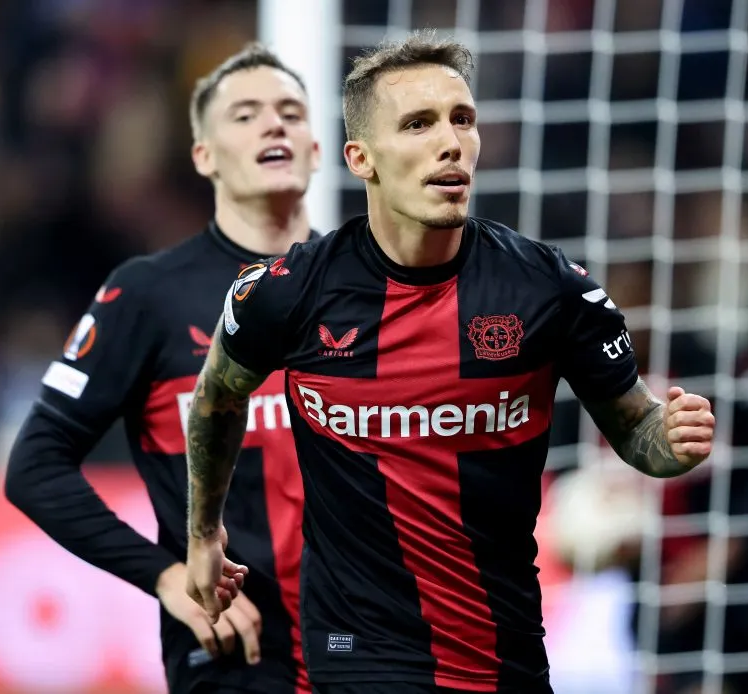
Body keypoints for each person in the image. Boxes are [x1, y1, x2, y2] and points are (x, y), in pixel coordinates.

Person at [184, 31, 715, 694]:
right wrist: (204, 533)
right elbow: (216, 398)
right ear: (362, 157)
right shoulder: (289, 293)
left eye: (463, 119)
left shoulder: (550, 290)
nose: (451, 141)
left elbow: (635, 427)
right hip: (356, 646)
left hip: (502, 647)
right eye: (418, 123)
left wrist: (667, 441)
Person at [4, 43, 319, 694]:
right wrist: (164, 575)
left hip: (373, 646)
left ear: (318, 149)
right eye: (246, 114)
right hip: (236, 653)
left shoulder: (372, 290)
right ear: (204, 156)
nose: (274, 125)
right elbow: (35, 467)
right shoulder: (148, 294)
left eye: (291, 112)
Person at [548, 259, 748, 694]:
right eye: (619, 300)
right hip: (654, 593)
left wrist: (723, 548)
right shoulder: (576, 395)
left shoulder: (716, 373)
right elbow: (569, 505)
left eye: (641, 298)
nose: (629, 314)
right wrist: (601, 545)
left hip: (734, 588)